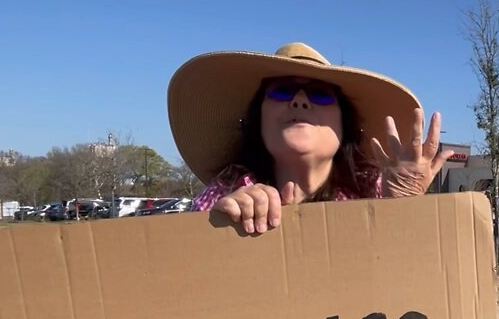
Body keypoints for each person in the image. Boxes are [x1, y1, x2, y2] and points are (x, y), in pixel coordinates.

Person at [166, 42, 452, 229]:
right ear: (257, 119)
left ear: (345, 126)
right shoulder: (226, 190)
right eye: (282, 91)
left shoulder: (377, 190)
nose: (300, 101)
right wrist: (215, 225)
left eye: (319, 94)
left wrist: (405, 209)